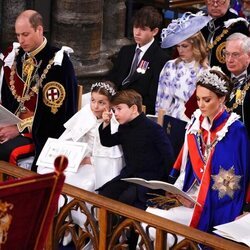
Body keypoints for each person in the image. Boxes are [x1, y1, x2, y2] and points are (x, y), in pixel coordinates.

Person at [143, 67, 250, 246]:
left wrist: (197, 198)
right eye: (198, 99)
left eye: (207, 100)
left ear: (222, 99)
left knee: (158, 224)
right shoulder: (196, 123)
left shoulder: (235, 130)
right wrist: (179, 191)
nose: (200, 105)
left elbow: (234, 181)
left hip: (218, 205)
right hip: (192, 196)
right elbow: (186, 167)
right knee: (149, 216)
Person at [0, 10, 77, 171]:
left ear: (39, 30)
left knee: (5, 150)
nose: (21, 40)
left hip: (40, 133)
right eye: (18, 35)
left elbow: (54, 116)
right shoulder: (17, 57)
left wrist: (19, 129)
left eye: (26, 34)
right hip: (15, 124)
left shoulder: (58, 64)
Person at [38, 81, 124, 191]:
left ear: (111, 104)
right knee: (50, 172)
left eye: (101, 103)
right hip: (78, 157)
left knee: (84, 183)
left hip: (98, 164)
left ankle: (74, 207)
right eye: (93, 101)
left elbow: (111, 157)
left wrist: (89, 160)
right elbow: (69, 137)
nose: (95, 106)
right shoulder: (86, 112)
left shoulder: (114, 122)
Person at [98, 89, 174, 210]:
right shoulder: (124, 127)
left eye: (119, 109)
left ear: (133, 109)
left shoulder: (154, 129)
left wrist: (169, 186)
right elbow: (107, 142)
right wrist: (106, 123)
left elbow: (169, 158)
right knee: (105, 194)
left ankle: (125, 228)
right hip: (130, 176)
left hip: (151, 180)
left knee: (127, 198)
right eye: (113, 110)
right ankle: (108, 228)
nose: (115, 113)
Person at [107, 6, 170, 115]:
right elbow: (113, 77)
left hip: (138, 112)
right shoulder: (125, 51)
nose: (137, 32)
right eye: (136, 27)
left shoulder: (161, 58)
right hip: (115, 106)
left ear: (154, 31)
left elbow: (153, 96)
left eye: (143, 29)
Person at [155, 12, 209, 121]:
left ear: (196, 45)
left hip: (195, 121)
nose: (180, 50)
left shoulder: (205, 72)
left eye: (184, 46)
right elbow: (162, 102)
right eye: (178, 46)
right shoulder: (170, 66)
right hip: (171, 119)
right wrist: (159, 124)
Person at [201, 0, 249, 74]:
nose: (215, 5)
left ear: (229, 1)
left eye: (220, 1)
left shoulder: (239, 25)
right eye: (211, 0)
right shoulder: (197, 23)